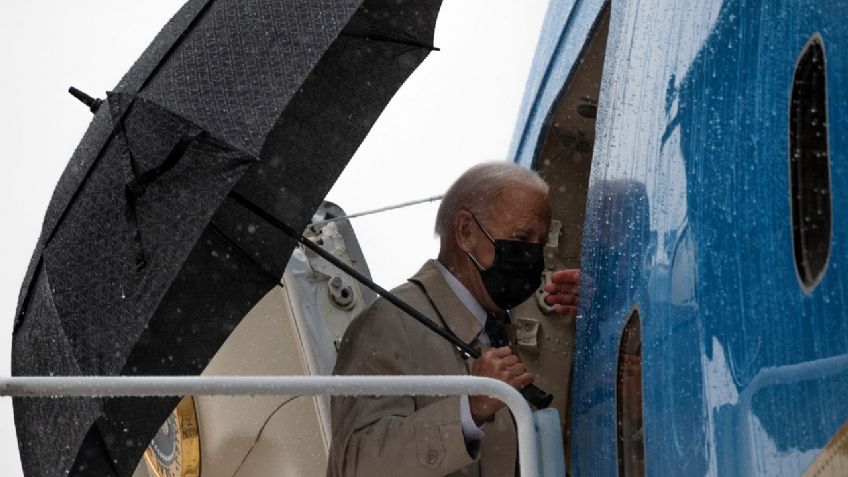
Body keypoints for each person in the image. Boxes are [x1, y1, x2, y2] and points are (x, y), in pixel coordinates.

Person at [327, 162, 580, 477]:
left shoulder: (500, 328)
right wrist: (469, 409)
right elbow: (358, 463)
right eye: (521, 237)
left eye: (539, 244)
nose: (533, 257)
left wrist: (590, 321)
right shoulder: (387, 324)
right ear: (465, 232)